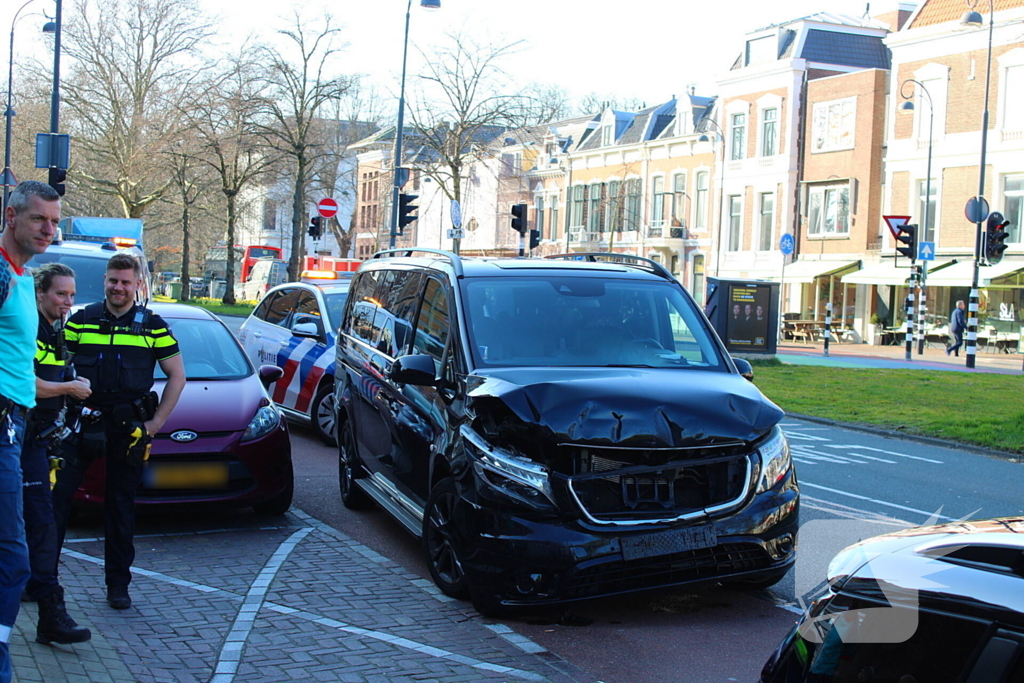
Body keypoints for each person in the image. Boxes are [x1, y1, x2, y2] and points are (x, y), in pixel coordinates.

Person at [53, 252, 186, 610]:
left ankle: (118, 586)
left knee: (120, 508)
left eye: (126, 282)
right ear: (105, 281)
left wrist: (155, 425)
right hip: (84, 424)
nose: (119, 288)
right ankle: (43, 581)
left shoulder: (151, 325)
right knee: (56, 503)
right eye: (113, 280)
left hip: (128, 428)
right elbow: (55, 365)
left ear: (138, 285)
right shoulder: (81, 321)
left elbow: (178, 375)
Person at [0, 181, 60, 683]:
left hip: (17, 426)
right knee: (13, 559)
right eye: (40, 219)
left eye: (55, 221)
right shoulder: (1, 273)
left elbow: (19, 371)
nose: (49, 229)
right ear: (11, 215)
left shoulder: (22, 278)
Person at [23, 263, 92, 644]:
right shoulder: (29, 328)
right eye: (60, 294)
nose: (68, 302)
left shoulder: (56, 330)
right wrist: (69, 390)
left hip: (40, 441)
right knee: (35, 526)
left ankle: (49, 612)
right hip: (19, 438)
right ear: (40, 294)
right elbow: (25, 385)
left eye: (71, 294)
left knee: (41, 526)